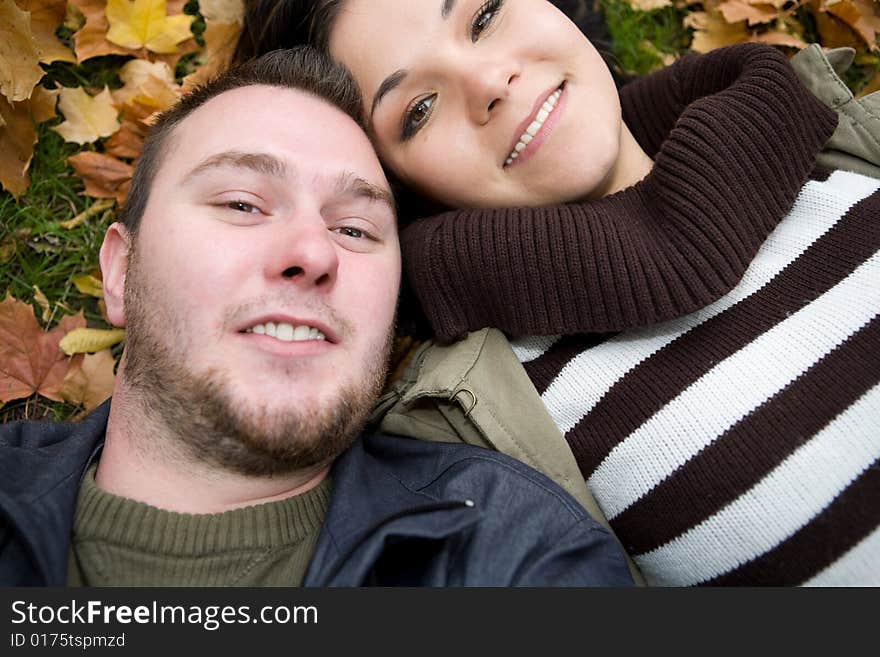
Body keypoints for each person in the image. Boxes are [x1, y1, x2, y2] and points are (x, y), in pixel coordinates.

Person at [237, 1, 880, 585]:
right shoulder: (478, 437)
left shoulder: (841, 140)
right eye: (419, 110)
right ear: (393, 189)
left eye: (485, 15)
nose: (489, 83)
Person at [0, 47, 635, 587]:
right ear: (120, 271)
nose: (312, 253)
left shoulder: (512, 550)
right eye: (244, 204)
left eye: (355, 228)